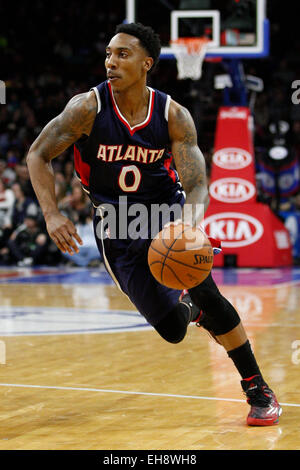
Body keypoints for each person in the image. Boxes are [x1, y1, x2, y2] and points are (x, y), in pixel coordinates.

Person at [26, 22, 281, 426]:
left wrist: (187, 227)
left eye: (122, 54)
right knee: (172, 331)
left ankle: (257, 389)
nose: (111, 61)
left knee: (211, 296)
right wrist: (52, 213)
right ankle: (189, 311)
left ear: (147, 64)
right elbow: (38, 154)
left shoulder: (172, 115)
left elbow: (197, 185)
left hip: (166, 216)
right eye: (109, 53)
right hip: (117, 227)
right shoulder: (86, 109)